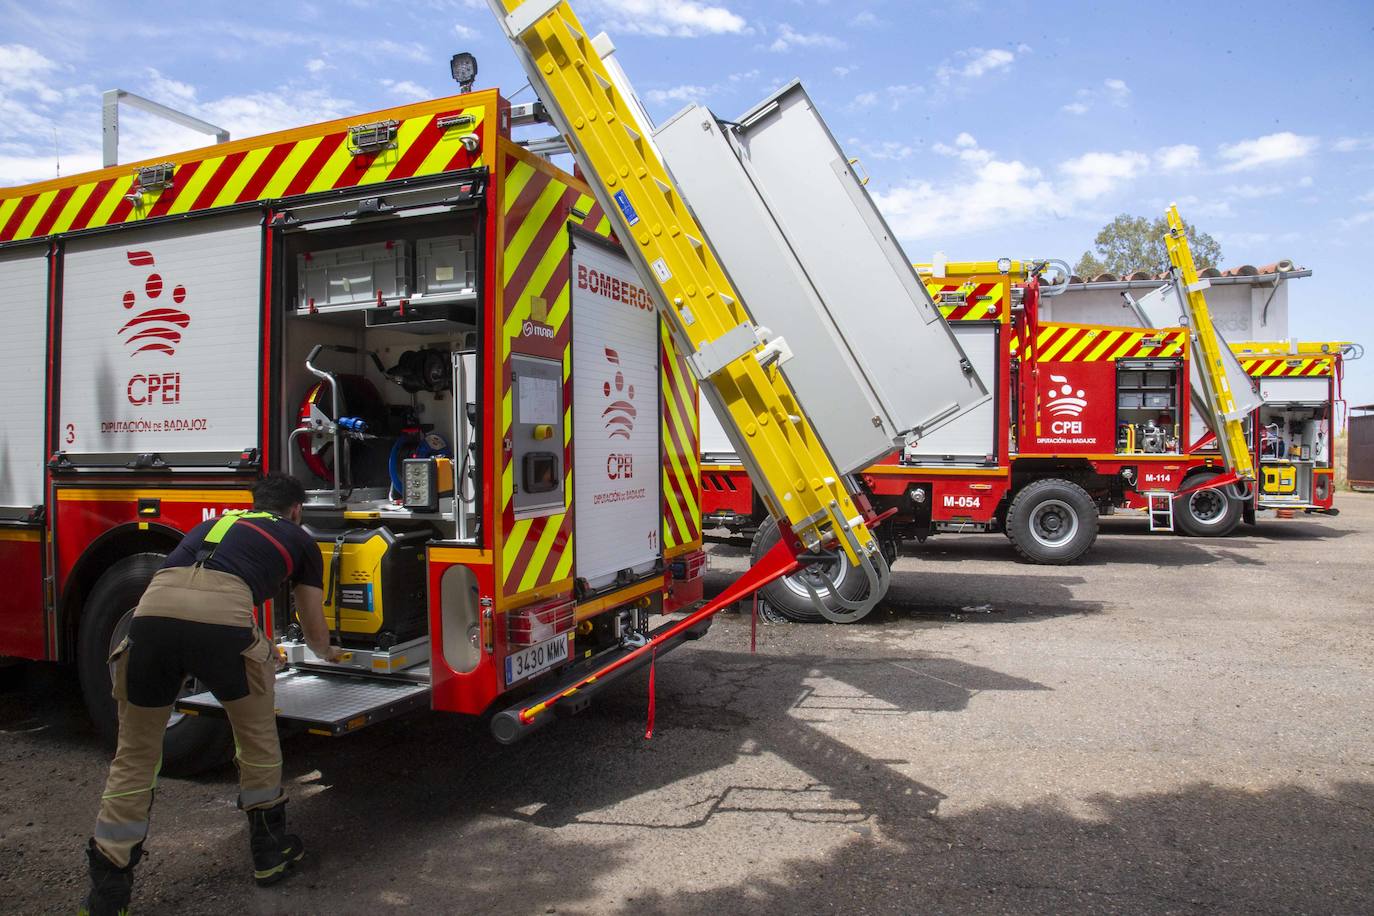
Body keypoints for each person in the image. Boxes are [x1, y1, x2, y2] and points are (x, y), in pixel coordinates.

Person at [80, 473, 340, 915]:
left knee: (135, 756)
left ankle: (108, 893)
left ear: (252, 503)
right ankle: (270, 854)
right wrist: (328, 651)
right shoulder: (298, 538)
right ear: (296, 510)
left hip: (150, 623)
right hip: (223, 631)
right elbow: (313, 628)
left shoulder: (213, 525)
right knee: (257, 741)